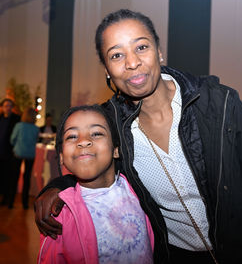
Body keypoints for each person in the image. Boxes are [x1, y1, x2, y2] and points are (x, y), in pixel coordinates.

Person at [34, 9, 242, 264]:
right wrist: (57, 186)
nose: (132, 62)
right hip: (173, 257)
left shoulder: (219, 103)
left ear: (159, 51)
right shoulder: (111, 124)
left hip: (240, 253)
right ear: (107, 70)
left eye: (141, 47)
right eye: (116, 55)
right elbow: (85, 153)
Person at [37, 104, 154, 264]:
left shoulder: (139, 189)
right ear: (62, 156)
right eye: (72, 136)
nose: (83, 141)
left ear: (116, 149)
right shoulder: (59, 215)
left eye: (97, 133)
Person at [8, 107, 39, 209]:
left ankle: (11, 202)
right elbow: (35, 141)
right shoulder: (36, 128)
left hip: (18, 153)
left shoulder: (19, 126)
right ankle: (25, 203)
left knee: (14, 177)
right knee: (27, 178)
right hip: (30, 154)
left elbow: (12, 139)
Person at [0, 98, 20, 205]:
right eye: (6, 105)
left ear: (12, 108)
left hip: (10, 153)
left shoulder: (17, 119)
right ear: (2, 107)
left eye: (10, 106)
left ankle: (7, 198)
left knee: (8, 176)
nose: (8, 108)